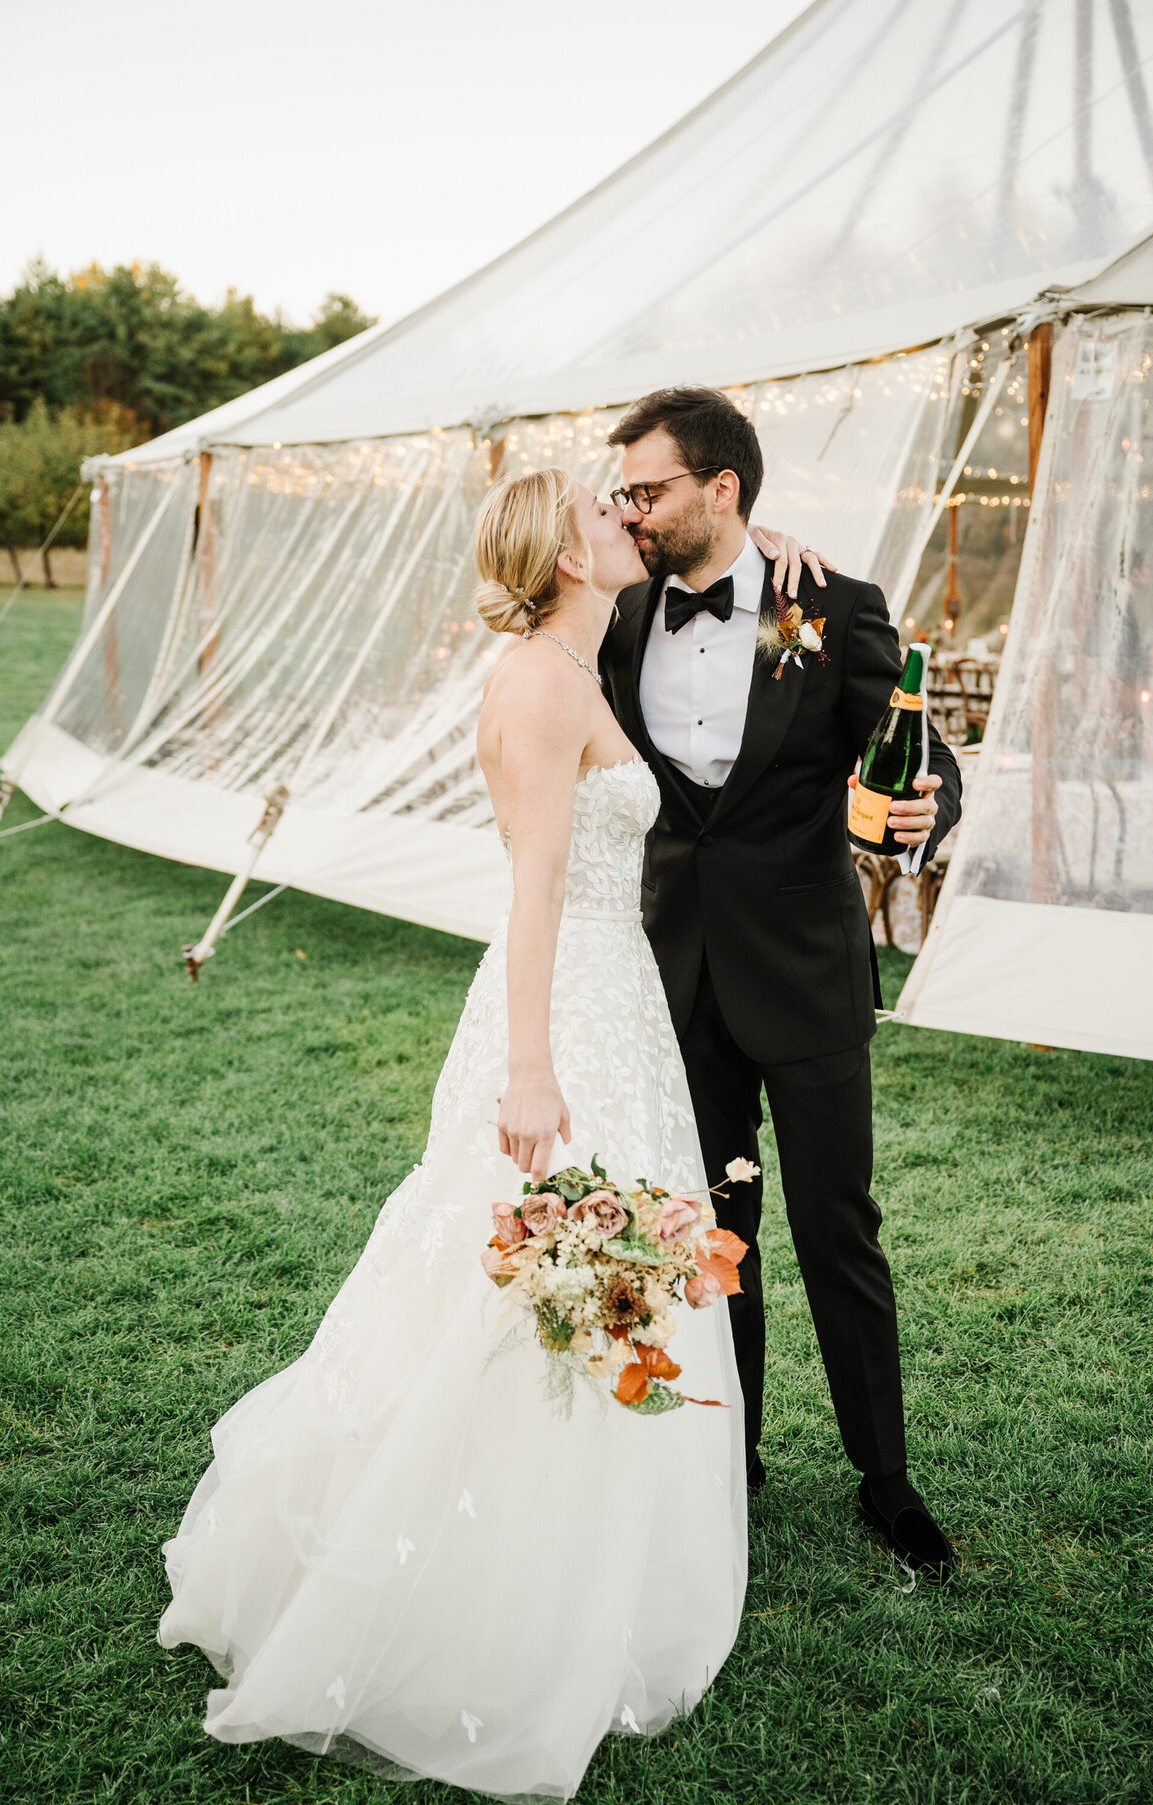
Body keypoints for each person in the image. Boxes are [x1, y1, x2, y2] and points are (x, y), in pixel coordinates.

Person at [159, 467, 800, 1799]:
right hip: (560, 1011)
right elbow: (538, 883)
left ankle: (574, 1554)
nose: (627, 519)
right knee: (539, 1279)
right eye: (602, 514)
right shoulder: (545, 682)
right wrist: (529, 1065)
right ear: (564, 555)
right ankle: (493, 1590)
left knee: (585, 1281)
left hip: (607, 998)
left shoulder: (565, 657)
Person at [600, 386, 962, 1580]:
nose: (630, 511)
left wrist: (921, 808)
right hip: (679, 978)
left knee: (837, 1228)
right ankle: (729, 1461)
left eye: (647, 489)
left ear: (725, 490)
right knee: (712, 1232)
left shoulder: (833, 605)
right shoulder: (615, 616)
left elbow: (921, 755)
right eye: (622, 494)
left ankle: (887, 1479)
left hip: (806, 976)